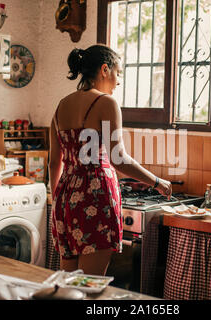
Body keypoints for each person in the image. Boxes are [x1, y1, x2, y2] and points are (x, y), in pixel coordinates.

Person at [49, 44, 172, 276]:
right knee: (90, 283)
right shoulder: (106, 103)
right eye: (118, 72)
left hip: (65, 198)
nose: (118, 80)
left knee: (68, 283)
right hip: (95, 196)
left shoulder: (60, 106)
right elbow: (119, 159)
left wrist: (57, 200)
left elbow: (55, 163)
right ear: (105, 70)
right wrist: (157, 181)